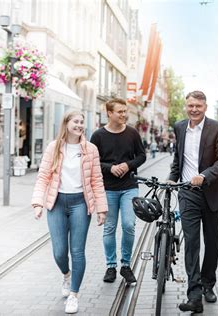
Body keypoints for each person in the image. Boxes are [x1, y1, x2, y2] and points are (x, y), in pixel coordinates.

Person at [31, 111, 107, 314]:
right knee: (59, 251)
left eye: (82, 122)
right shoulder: (53, 147)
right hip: (56, 203)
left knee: (77, 251)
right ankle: (66, 274)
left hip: (80, 204)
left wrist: (101, 208)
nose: (80, 125)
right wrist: (38, 202)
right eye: (76, 121)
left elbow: (97, 180)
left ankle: (74, 294)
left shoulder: (90, 149)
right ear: (66, 123)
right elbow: (43, 177)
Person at [168, 90, 218, 313]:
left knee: (212, 242)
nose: (194, 109)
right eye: (190, 105)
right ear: (186, 106)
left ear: (205, 107)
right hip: (187, 193)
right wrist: (172, 178)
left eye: (198, 106)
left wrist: (204, 175)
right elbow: (179, 157)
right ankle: (194, 294)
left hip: (213, 193)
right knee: (192, 243)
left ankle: (208, 284)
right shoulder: (179, 127)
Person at [90, 97, 146, 284]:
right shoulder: (98, 136)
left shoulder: (132, 133)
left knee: (129, 225)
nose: (124, 115)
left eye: (125, 111)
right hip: (108, 189)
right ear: (109, 113)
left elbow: (141, 156)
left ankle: (126, 265)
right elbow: (92, 161)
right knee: (109, 227)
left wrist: (127, 165)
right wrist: (110, 168)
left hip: (129, 186)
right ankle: (111, 266)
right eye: (120, 112)